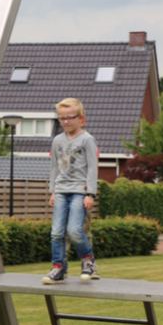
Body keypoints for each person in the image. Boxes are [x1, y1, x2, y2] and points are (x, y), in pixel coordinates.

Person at [43, 98, 99, 284]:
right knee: (56, 232)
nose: (66, 121)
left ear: (81, 119)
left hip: (79, 191)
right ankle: (59, 268)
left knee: (74, 230)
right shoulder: (57, 140)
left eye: (70, 117)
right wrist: (53, 191)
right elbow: (54, 167)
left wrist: (90, 194)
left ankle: (88, 261)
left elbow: (93, 168)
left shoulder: (87, 140)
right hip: (60, 190)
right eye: (62, 118)